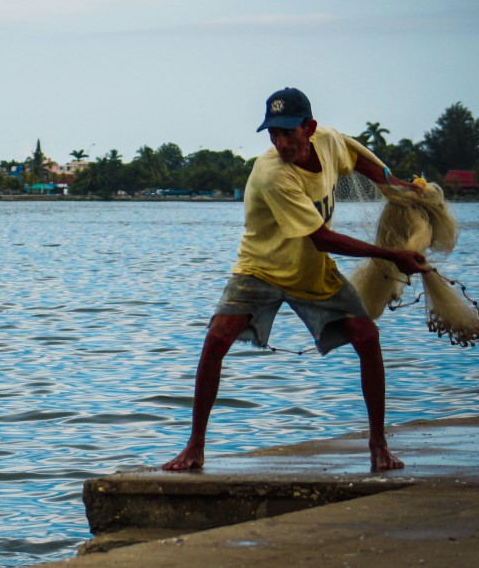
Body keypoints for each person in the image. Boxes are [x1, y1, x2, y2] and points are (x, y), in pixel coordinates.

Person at [162, 87, 428, 473]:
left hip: (311, 272)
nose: (281, 142)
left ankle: (378, 444)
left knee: (367, 338)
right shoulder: (271, 174)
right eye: (273, 134)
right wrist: (393, 256)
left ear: (310, 128)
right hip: (261, 268)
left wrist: (398, 186)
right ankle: (194, 446)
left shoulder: (331, 142)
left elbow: (363, 162)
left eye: (288, 132)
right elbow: (322, 237)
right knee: (217, 339)